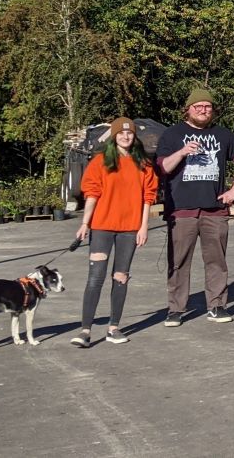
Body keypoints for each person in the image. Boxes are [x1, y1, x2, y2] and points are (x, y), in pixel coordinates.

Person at [158, 88, 234, 325]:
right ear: (188, 109)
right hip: (181, 210)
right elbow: (162, 168)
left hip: (215, 210)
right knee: (179, 262)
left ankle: (217, 306)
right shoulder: (172, 134)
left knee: (216, 261)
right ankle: (176, 309)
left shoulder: (222, 135)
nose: (203, 110)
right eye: (198, 106)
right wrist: (182, 152)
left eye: (208, 106)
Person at [71, 117, 158, 347]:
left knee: (120, 278)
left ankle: (113, 328)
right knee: (95, 278)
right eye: (121, 133)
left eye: (129, 133)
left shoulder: (144, 165)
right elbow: (91, 194)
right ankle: (85, 331)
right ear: (114, 136)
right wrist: (85, 223)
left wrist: (143, 226)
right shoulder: (101, 161)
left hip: (129, 229)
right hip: (102, 227)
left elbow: (148, 198)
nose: (126, 136)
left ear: (134, 136)